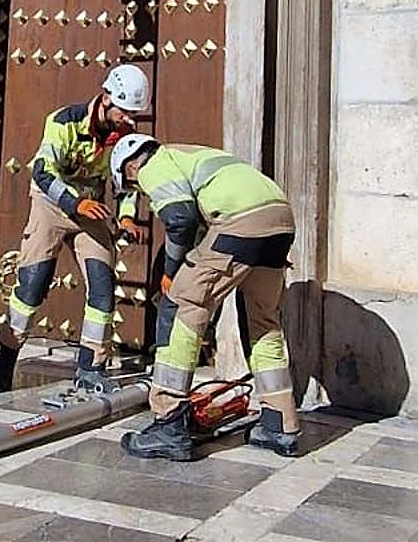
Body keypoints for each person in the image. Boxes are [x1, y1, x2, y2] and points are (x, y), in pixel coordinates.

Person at [109, 133, 299, 462]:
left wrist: (170, 273)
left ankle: (168, 423)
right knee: (263, 322)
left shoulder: (153, 164)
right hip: (279, 221)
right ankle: (279, 424)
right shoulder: (193, 154)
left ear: (128, 168)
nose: (139, 190)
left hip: (240, 220)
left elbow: (180, 218)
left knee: (181, 304)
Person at [0, 64, 151, 393]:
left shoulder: (125, 136)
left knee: (103, 286)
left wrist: (128, 217)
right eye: (124, 111)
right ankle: (7, 355)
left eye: (134, 113)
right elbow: (42, 172)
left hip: (89, 210)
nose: (129, 119)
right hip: (53, 203)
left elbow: (126, 183)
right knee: (32, 285)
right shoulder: (64, 122)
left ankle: (91, 367)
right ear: (106, 98)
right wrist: (73, 203)